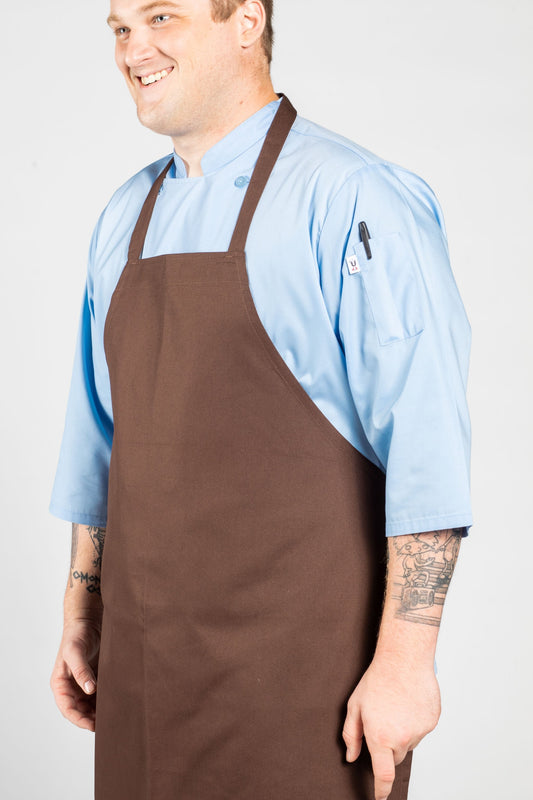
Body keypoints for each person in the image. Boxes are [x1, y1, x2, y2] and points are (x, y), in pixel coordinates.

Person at [48, 2, 473, 799]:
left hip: (305, 684)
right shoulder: (123, 216)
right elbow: (100, 440)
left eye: (160, 16)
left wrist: (407, 663)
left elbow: (427, 447)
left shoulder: (352, 197)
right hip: (144, 668)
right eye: (120, 28)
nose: (134, 49)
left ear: (245, 20)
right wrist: (83, 608)